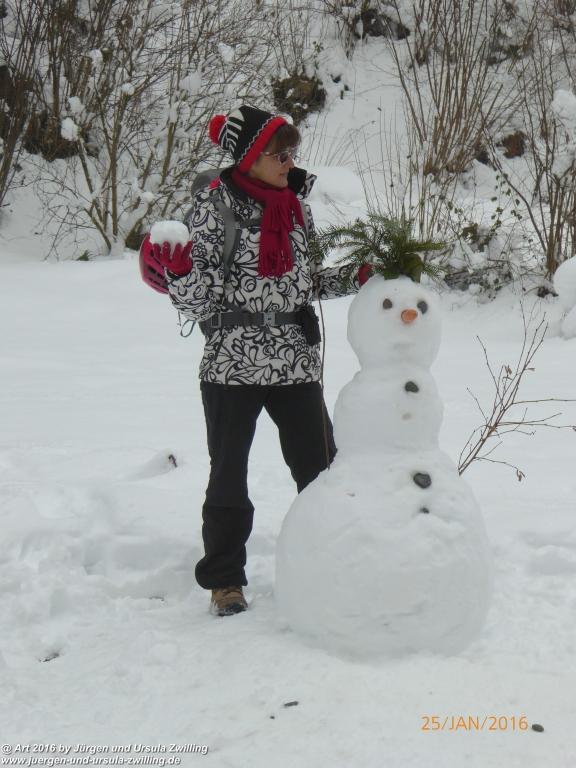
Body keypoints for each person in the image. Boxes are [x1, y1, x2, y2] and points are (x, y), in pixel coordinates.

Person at [149, 105, 371, 616]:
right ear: (250, 157)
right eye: (281, 154)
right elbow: (197, 302)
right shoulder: (213, 206)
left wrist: (354, 278)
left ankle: (333, 562)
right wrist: (181, 271)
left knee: (322, 471)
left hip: (294, 361)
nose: (291, 163)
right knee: (229, 474)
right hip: (233, 363)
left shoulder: (294, 205)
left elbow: (305, 283)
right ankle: (225, 582)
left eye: (294, 153)